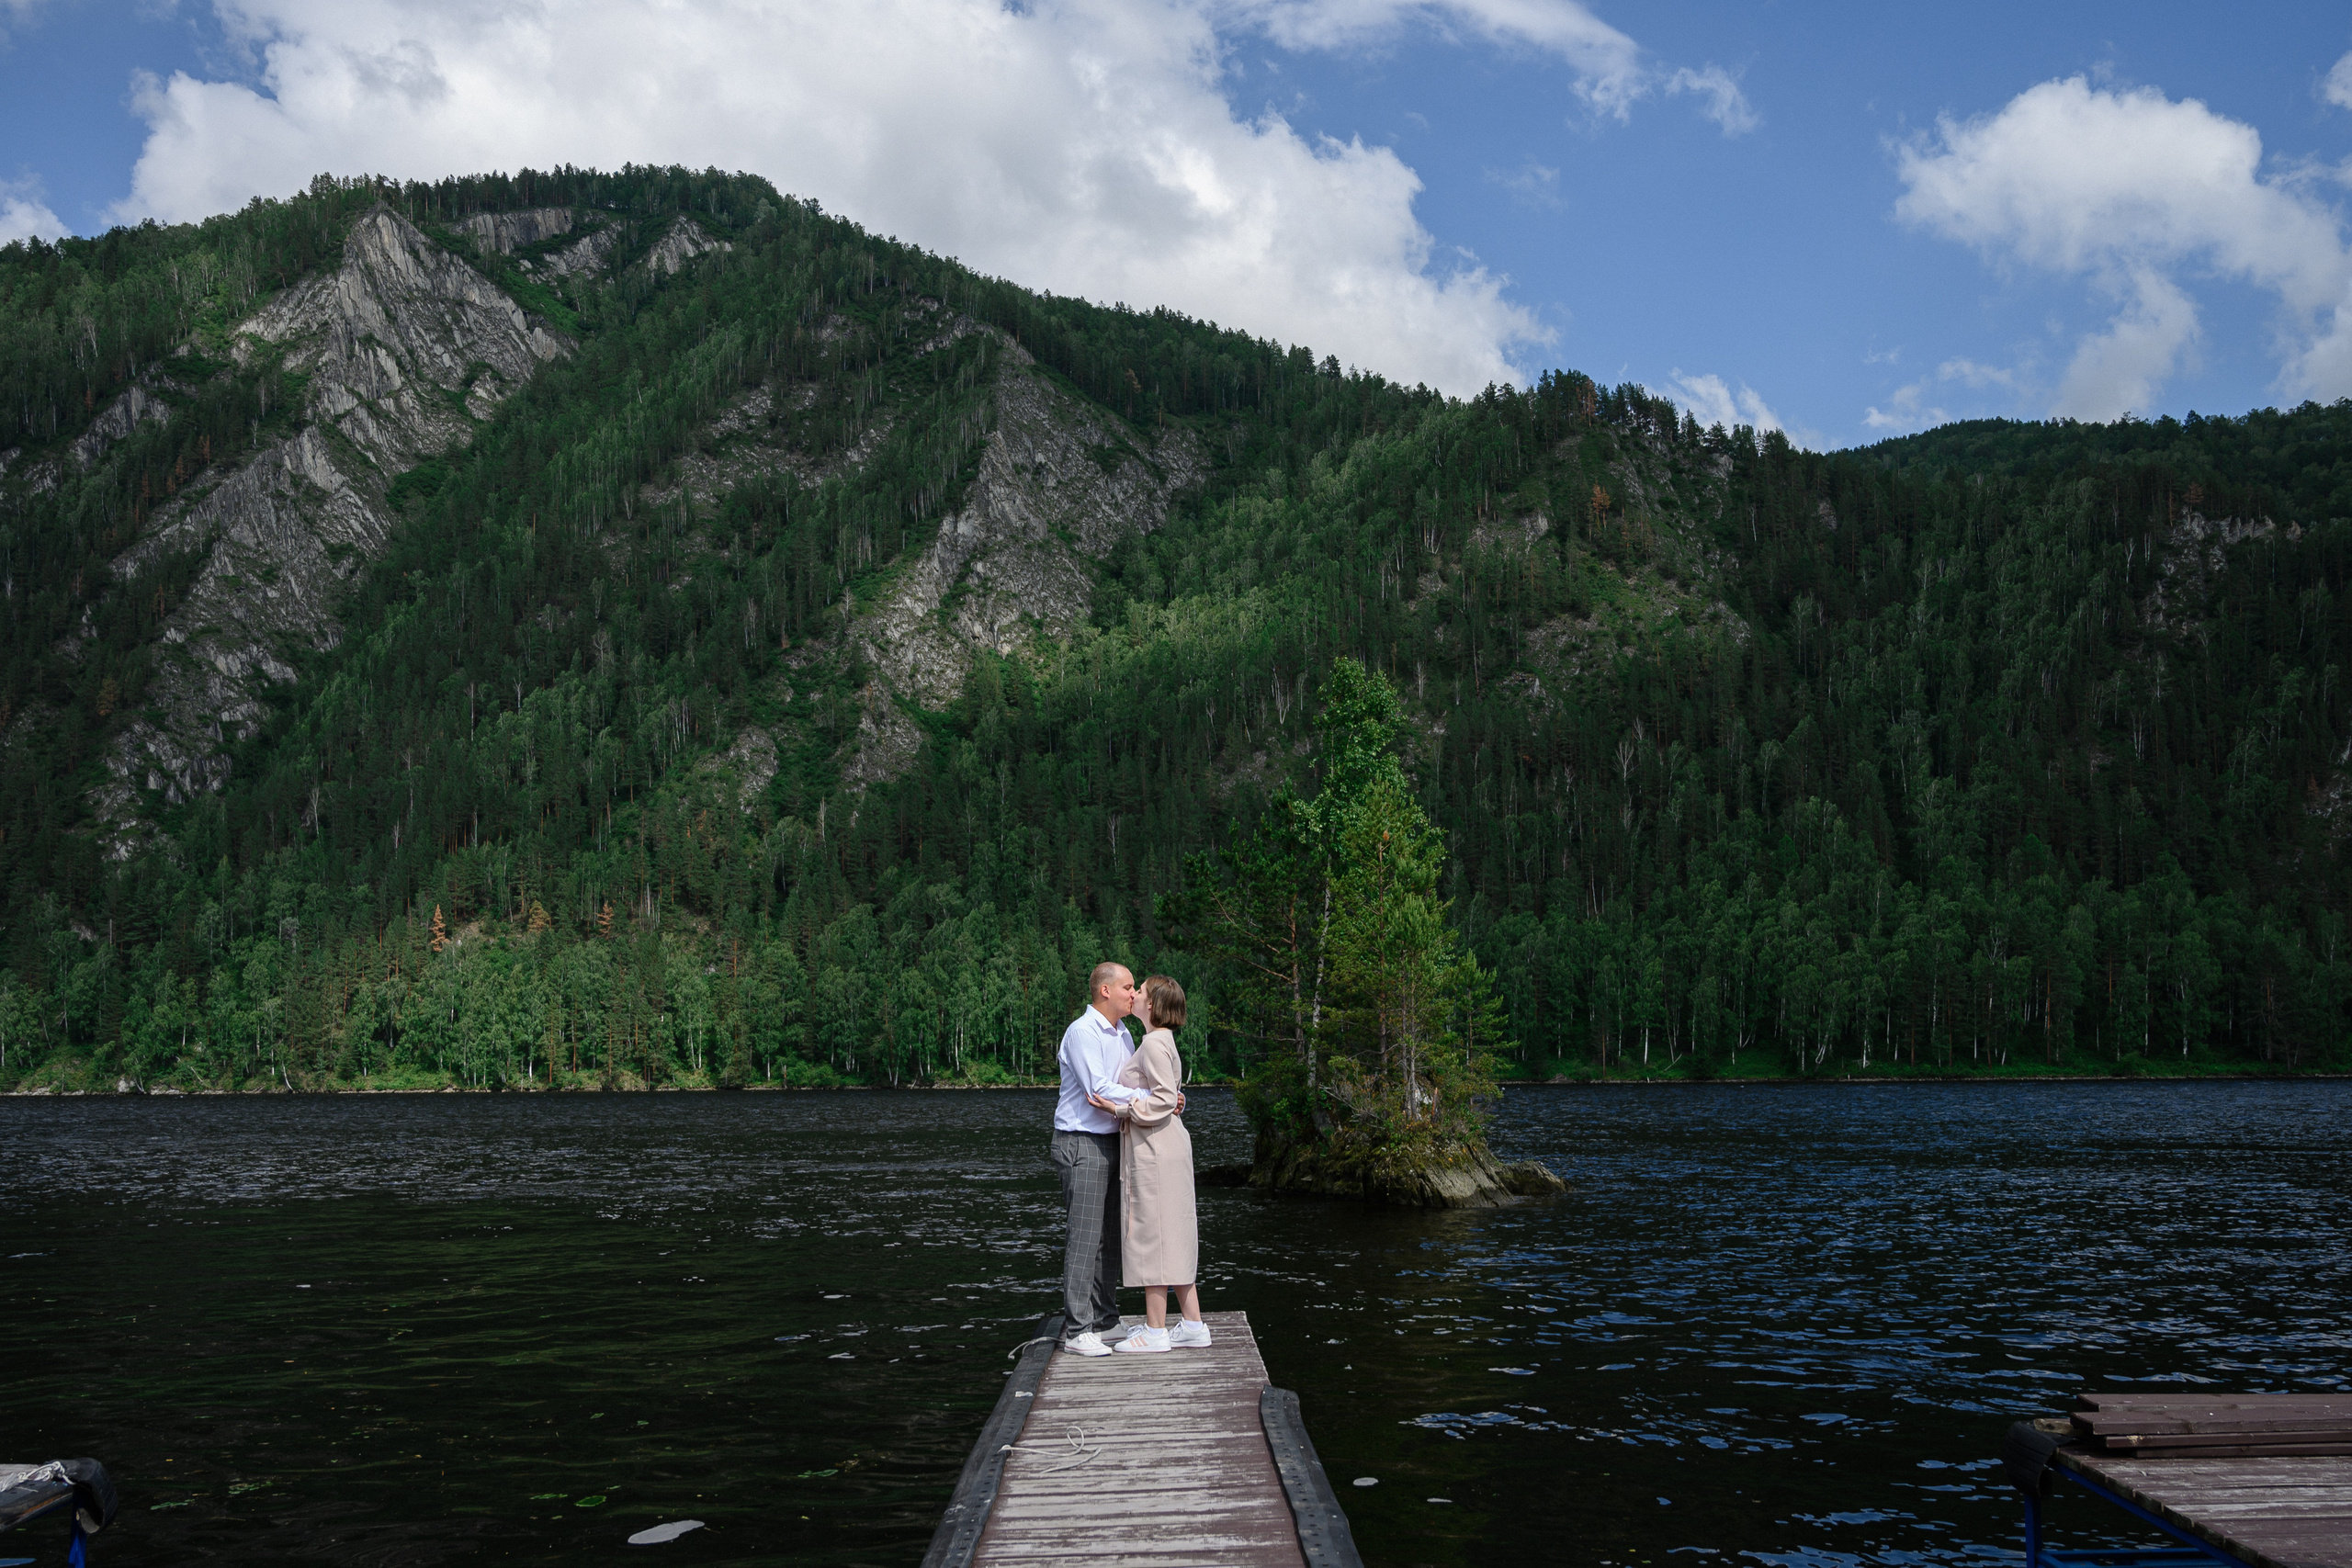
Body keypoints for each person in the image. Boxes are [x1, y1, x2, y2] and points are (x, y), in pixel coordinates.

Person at [1093, 975, 1208, 1352]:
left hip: (1156, 1149)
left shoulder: (1153, 1043)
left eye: (1139, 991)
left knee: (1154, 1232)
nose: (1134, 994)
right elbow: (1167, 1095)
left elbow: (1160, 1100)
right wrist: (1172, 1098)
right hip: (1162, 1145)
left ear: (1153, 1005)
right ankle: (1192, 1324)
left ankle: (1156, 1331)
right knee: (1171, 1234)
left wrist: (1119, 1107)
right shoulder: (1159, 1041)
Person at [1051, 962, 1141, 1356]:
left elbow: (1132, 1082)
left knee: (1110, 1238)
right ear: (1105, 991)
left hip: (1112, 1139)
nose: (1134, 994)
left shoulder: (1124, 1033)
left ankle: (1105, 1321)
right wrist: (1148, 1102)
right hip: (1080, 1141)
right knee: (1085, 1237)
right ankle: (1076, 1330)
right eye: (1128, 987)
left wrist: (1164, 1095)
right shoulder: (1082, 1032)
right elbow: (1098, 1089)